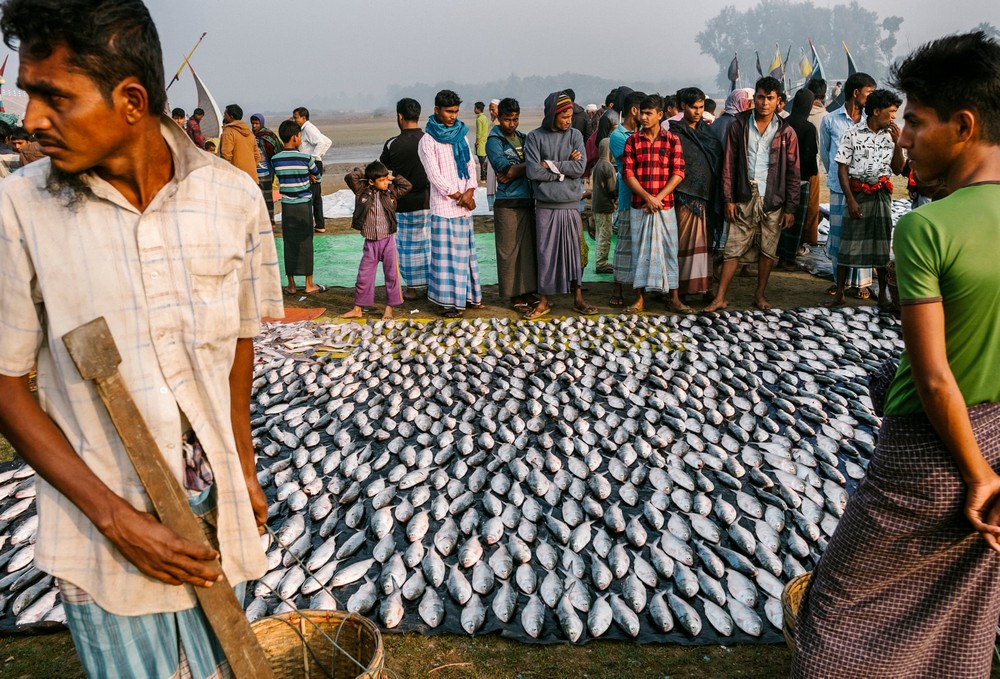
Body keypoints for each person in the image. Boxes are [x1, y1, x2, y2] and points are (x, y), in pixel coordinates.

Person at [0, 1, 283, 676]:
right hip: (103, 532)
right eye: (29, 95)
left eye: (54, 97)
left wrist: (241, 463)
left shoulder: (232, 197)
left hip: (218, 513)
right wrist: (116, 519)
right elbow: (5, 383)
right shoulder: (21, 209)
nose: (32, 119)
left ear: (130, 100)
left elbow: (239, 340)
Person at [793, 31, 1000, 677]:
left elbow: (935, 377)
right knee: (961, 609)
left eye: (914, 120)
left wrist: (977, 473)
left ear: (963, 126)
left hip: (928, 455)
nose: (903, 136)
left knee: (835, 611)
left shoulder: (927, 227)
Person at [705, 76, 800, 312]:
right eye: (760, 97)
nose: (764, 103)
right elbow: (729, 164)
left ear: (779, 101)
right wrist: (728, 199)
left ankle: (759, 295)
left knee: (768, 249)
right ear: (753, 99)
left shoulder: (787, 132)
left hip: (773, 198)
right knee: (732, 248)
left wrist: (790, 208)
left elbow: (793, 172)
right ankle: (720, 297)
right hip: (744, 194)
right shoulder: (738, 125)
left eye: (770, 98)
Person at [827, 89, 904, 308]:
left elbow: (898, 170)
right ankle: (839, 293)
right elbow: (842, 169)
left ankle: (882, 295)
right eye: (890, 112)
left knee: (881, 244)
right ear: (876, 111)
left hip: (881, 194)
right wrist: (850, 199)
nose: (893, 117)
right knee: (848, 243)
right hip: (857, 193)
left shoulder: (892, 136)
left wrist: (898, 143)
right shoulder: (852, 134)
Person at [524, 91, 597, 319]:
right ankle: (544, 300)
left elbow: (580, 167)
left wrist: (552, 166)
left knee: (574, 252)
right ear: (551, 115)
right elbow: (533, 171)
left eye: (570, 117)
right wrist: (564, 171)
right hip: (546, 205)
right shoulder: (535, 137)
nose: (568, 121)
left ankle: (577, 298)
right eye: (564, 117)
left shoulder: (575, 135)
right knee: (546, 253)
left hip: (570, 204)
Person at [417, 89, 483, 318]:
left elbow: (471, 165)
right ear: (436, 111)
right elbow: (434, 176)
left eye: (455, 111)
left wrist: (471, 190)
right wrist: (459, 196)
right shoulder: (427, 140)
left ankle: (469, 297)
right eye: (448, 112)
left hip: (465, 205)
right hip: (445, 207)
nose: (452, 116)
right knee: (445, 258)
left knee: (465, 254)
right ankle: (447, 303)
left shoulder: (461, 134)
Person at [621, 94, 686, 313]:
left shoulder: (672, 140)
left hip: (665, 205)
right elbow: (627, 173)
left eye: (649, 113)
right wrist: (648, 197)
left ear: (660, 115)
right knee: (640, 251)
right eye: (642, 112)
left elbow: (678, 173)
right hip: (640, 204)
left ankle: (674, 297)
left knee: (669, 249)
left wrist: (658, 197)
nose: (644, 117)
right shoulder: (633, 141)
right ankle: (639, 298)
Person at [820, 71, 877, 298]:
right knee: (838, 234)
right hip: (837, 186)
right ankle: (839, 282)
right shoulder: (830, 120)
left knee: (861, 234)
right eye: (869, 92)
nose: (872, 97)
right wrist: (836, 174)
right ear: (856, 93)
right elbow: (826, 153)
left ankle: (862, 284)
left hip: (864, 187)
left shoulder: (870, 121)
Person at [669, 87, 723, 302]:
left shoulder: (707, 131)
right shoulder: (674, 132)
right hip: (683, 196)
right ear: (683, 106)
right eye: (693, 107)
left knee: (705, 245)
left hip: (707, 197)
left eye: (701, 107)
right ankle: (679, 290)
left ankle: (704, 288)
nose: (698, 111)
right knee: (683, 244)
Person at [486, 97, 539, 312]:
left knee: (527, 249)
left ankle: (527, 290)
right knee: (508, 251)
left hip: (526, 198)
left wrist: (518, 169)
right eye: (508, 119)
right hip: (507, 202)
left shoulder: (523, 137)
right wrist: (530, 167)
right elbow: (504, 169)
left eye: (515, 119)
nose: (512, 124)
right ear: (499, 118)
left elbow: (517, 168)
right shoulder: (493, 141)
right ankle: (513, 295)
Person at [341, 161, 411, 320]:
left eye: (386, 179)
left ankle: (389, 309)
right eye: (382, 180)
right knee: (363, 276)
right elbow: (350, 177)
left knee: (392, 276)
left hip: (388, 241)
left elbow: (407, 186)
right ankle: (358, 308)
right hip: (370, 243)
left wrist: (391, 177)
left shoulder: (391, 192)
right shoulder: (362, 191)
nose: (385, 182)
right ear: (371, 181)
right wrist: (365, 173)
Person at [381, 97, 431, 300]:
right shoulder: (429, 140)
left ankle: (411, 288)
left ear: (399, 117)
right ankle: (431, 286)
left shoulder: (393, 143)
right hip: (428, 201)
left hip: (401, 203)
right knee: (429, 245)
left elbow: (384, 168)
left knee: (406, 248)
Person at [272, 120, 323, 295]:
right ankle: (309, 284)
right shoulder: (306, 158)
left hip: (287, 206)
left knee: (290, 243)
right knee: (306, 242)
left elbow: (278, 176)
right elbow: (317, 175)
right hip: (303, 206)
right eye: (300, 136)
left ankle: (291, 285)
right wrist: (309, 177)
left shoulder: (275, 159)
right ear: (295, 137)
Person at [608, 89, 644, 307]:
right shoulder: (618, 136)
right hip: (628, 195)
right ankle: (618, 288)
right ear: (634, 110)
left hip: (646, 196)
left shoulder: (643, 134)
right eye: (644, 111)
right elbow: (634, 163)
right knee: (624, 243)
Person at [777, 88, 820, 270]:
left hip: (781, 180)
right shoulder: (808, 127)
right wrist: (812, 173)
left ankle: (779, 254)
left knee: (781, 219)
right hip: (800, 179)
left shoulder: (783, 123)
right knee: (796, 220)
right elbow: (810, 155)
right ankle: (789, 258)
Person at [292, 106, 332, 233]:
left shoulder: (308, 129)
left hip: (312, 164)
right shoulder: (307, 128)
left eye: (296, 117)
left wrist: (314, 158)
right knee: (316, 196)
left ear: (303, 118)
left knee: (310, 195)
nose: (294, 120)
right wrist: (319, 156)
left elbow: (321, 142)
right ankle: (319, 225)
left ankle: (309, 225)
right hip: (314, 163)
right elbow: (327, 141)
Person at [803, 78, 828, 245]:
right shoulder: (826, 117)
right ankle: (809, 239)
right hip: (814, 168)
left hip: (796, 166)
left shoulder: (799, 113)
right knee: (812, 207)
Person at [590, 137, 616, 275]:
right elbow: (612, 190)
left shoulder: (597, 165)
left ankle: (600, 261)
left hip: (596, 205)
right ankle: (602, 264)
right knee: (606, 235)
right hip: (605, 206)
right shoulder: (608, 167)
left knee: (600, 234)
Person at [250, 113, 282, 225]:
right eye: (253, 123)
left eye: (257, 123)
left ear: (262, 123)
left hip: (267, 171)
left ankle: (270, 221)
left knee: (268, 197)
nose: (254, 126)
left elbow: (277, 149)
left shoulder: (268, 135)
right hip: (254, 172)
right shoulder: (249, 136)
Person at [219, 103, 260, 182]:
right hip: (252, 178)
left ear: (231, 117)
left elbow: (226, 156)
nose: (224, 116)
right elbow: (257, 156)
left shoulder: (228, 132)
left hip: (237, 179)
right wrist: (249, 168)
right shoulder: (249, 133)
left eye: (225, 114)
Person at [474, 101, 489, 182]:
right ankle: (484, 176)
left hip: (481, 143)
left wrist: (477, 141)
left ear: (478, 109)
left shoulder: (479, 119)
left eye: (475, 108)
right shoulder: (485, 118)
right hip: (485, 141)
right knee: (484, 160)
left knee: (481, 161)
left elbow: (479, 132)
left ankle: (483, 177)